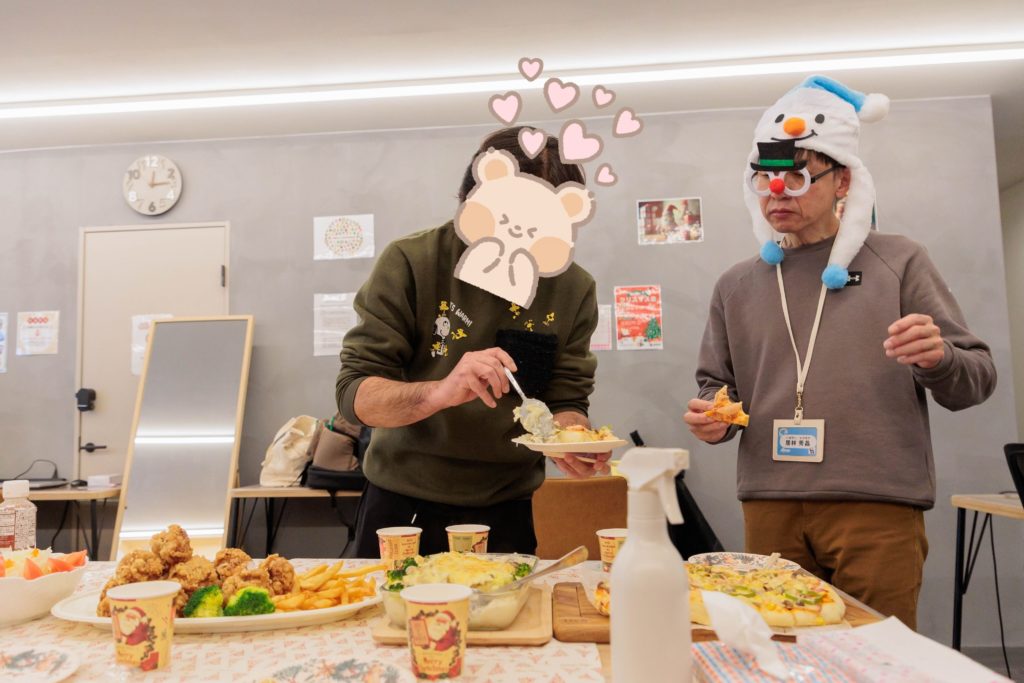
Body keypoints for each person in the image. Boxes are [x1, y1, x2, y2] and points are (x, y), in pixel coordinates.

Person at [683, 76, 996, 630]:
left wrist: (938, 358)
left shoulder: (898, 260)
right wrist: (713, 417)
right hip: (770, 503)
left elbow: (976, 378)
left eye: (797, 177)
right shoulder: (736, 284)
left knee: (877, 654)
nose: (778, 193)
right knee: (776, 652)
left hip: (876, 504)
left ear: (842, 179)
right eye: (764, 180)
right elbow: (716, 387)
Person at [336, 126, 609, 557]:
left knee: (507, 603)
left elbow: (567, 399)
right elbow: (355, 396)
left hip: (507, 506)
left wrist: (572, 440)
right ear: (469, 199)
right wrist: (440, 392)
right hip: (402, 500)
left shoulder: (573, 288)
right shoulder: (412, 261)